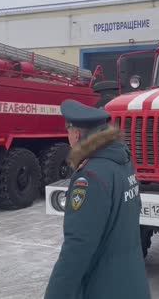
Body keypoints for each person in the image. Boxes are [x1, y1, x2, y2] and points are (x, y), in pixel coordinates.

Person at [44, 100, 150, 299]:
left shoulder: (90, 178)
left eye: (68, 130)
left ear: (76, 133)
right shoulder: (123, 163)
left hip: (105, 288)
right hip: (132, 284)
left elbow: (77, 247)